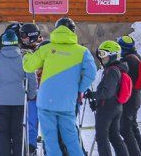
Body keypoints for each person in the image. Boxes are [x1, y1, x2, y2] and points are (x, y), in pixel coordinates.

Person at [23, 17, 96, 156]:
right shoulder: (82, 51)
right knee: (72, 140)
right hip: (67, 102)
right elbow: (91, 73)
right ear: (72, 31)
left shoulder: (47, 48)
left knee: (51, 141)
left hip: (46, 102)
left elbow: (29, 66)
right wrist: (79, 88)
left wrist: (26, 54)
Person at [0, 30, 37, 156]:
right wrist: (31, 94)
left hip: (2, 99)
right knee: (18, 130)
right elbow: (32, 78)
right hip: (19, 99)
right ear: (16, 42)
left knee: (4, 131)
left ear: (4, 43)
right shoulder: (23, 56)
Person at [86, 41, 129, 156]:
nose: (101, 58)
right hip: (114, 106)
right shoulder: (116, 69)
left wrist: (93, 95)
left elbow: (108, 92)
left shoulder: (112, 70)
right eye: (100, 55)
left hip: (108, 108)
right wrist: (97, 102)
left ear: (113, 55)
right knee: (113, 135)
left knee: (102, 136)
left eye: (104, 55)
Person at [117, 35, 141, 156]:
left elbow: (124, 81)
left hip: (129, 100)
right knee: (132, 128)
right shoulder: (136, 57)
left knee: (126, 130)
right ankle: (140, 153)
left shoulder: (129, 61)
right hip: (135, 98)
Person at [19, 23, 43, 155]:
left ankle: (30, 146)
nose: (22, 38)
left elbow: (32, 74)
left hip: (27, 94)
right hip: (27, 94)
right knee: (30, 122)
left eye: (24, 36)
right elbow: (31, 75)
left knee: (30, 122)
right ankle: (30, 146)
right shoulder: (25, 52)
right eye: (21, 35)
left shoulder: (32, 51)